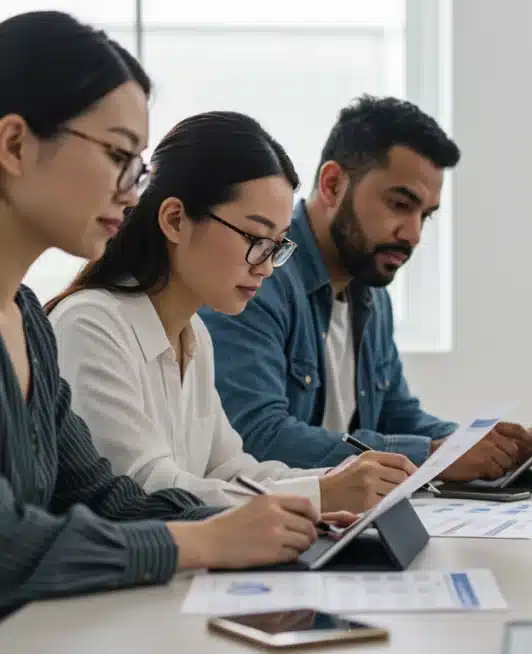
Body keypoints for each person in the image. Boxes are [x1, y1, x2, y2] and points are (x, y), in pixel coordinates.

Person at [0, 11, 353, 614]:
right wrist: (208, 536)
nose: (131, 191)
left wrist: (274, 520)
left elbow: (105, 495)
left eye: (138, 166)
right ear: (14, 144)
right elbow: (12, 546)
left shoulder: (28, 321)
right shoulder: (88, 322)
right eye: (117, 155)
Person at [45, 110, 417, 514]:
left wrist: (338, 479)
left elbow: (230, 470)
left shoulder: (194, 336)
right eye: (256, 238)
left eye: (277, 245)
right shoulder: (91, 325)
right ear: (174, 220)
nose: (267, 265)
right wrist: (323, 494)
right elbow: (144, 493)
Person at [200, 95, 532, 480]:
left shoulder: (371, 294)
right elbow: (257, 437)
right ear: (333, 184)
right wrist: (432, 457)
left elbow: (396, 415)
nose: (414, 234)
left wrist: (481, 445)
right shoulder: (258, 277)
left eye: (426, 215)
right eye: (400, 205)